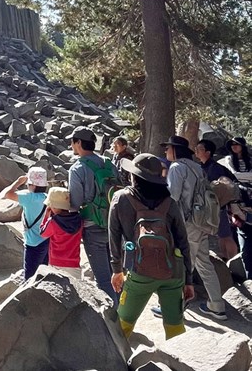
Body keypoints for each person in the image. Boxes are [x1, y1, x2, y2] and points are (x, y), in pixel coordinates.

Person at [109, 153, 193, 340]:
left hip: (139, 272)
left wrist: (116, 270)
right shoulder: (170, 202)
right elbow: (182, 241)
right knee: (175, 326)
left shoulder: (120, 198)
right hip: (172, 273)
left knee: (123, 324)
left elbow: (113, 236)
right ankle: (179, 362)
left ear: (135, 176)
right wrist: (189, 280)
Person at [162, 135, 227, 320]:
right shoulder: (197, 167)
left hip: (186, 224)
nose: (165, 151)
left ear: (175, 150)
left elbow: (173, 198)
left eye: (168, 148)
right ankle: (216, 305)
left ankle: (174, 308)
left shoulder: (176, 167)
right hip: (201, 222)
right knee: (204, 263)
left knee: (182, 265)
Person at [68, 126, 119, 304]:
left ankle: (115, 321)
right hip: (115, 225)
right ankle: (122, 312)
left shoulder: (77, 169)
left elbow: (75, 203)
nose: (71, 145)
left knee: (103, 279)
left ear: (79, 143)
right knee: (117, 275)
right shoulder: (108, 163)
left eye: (73, 142)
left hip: (93, 227)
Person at [0, 166, 49, 279]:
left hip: (32, 242)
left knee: (29, 275)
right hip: (46, 240)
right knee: (43, 274)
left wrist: (18, 182)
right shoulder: (47, 197)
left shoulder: (29, 197)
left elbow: (6, 194)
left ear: (33, 185)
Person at [195, 139, 238, 260]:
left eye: (199, 149)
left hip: (222, 207)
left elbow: (217, 189)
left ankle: (233, 260)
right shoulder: (203, 166)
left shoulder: (215, 168)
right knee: (221, 235)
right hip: (214, 207)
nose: (196, 151)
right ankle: (226, 259)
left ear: (208, 152)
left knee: (226, 236)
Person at [219, 137, 252, 280]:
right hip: (237, 203)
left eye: (237, 144)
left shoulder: (250, 159)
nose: (234, 147)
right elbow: (232, 176)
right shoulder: (228, 160)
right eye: (232, 144)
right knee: (241, 233)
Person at [39, 186, 83, 279]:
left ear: (53, 207)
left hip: (56, 263)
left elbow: (43, 233)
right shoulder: (79, 219)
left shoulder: (53, 222)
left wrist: (46, 216)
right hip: (74, 263)